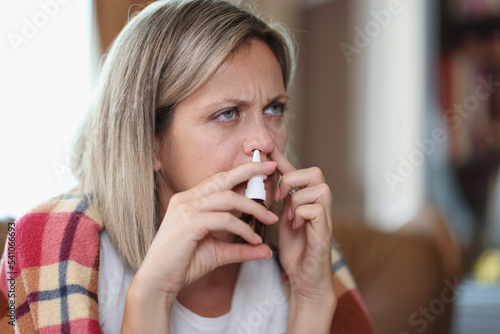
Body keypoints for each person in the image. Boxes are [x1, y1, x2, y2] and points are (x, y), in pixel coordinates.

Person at [0, 0, 374, 333]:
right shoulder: (53, 247)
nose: (265, 140)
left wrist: (311, 298)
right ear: (149, 141)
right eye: (228, 113)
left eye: (274, 109)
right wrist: (151, 297)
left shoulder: (305, 245)